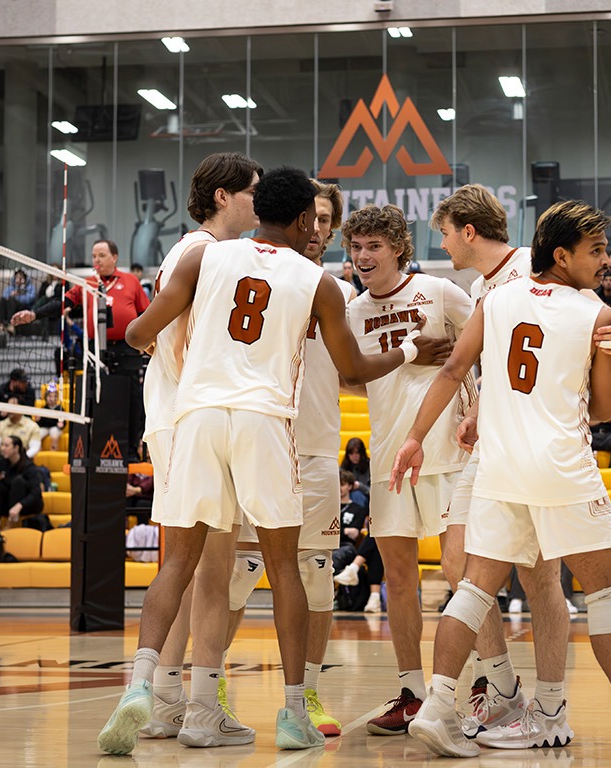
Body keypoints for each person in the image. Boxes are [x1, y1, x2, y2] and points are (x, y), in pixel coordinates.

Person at [100, 166, 435, 754]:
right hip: (264, 422)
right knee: (285, 571)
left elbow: (135, 334)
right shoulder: (317, 282)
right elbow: (354, 370)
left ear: (259, 213)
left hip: (198, 417)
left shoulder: (206, 258)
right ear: (307, 219)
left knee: (176, 564)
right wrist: (410, 347)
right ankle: (292, 711)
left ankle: (140, 687)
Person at [389, 199, 611, 759]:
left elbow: (452, 370)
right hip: (562, 470)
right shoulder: (595, 313)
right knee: (607, 594)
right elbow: (604, 410)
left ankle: (439, 708)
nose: (605, 261)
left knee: (472, 590)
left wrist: (414, 437)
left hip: (499, 469)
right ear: (562, 255)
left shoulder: (498, 297)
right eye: (597, 251)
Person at [121, 153, 264, 744]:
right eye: (254, 192)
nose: (261, 201)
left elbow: (152, 337)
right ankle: (197, 707)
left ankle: (167, 701)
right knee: (208, 565)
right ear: (224, 196)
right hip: (192, 417)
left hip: (181, 416)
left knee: (194, 564)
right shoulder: (201, 253)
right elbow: (147, 333)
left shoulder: (200, 252)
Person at [432, 182, 572, 742]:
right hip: (492, 443)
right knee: (456, 564)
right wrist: (479, 412)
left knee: (540, 579)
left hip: (530, 447)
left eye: (444, 233)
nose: (441, 245)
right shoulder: (488, 285)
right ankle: (505, 693)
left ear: (468, 231)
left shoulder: (527, 275)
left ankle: (551, 708)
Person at [343, 203, 480, 738]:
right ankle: (411, 691)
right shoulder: (353, 311)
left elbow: (489, 341)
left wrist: (477, 408)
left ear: (398, 246)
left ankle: (486, 682)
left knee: (462, 574)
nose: (361, 257)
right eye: (355, 248)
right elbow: (352, 380)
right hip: (388, 458)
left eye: (373, 246)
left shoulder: (441, 292)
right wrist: (403, 357)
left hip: (449, 452)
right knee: (398, 579)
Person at [223, 180, 353, 738]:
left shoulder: (338, 292)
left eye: (328, 219)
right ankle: (215, 685)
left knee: (317, 579)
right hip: (258, 438)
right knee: (236, 577)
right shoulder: (249, 273)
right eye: (313, 216)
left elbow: (355, 371)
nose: (319, 227)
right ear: (299, 218)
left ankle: (309, 695)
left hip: (319, 449)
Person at [14, 239, 151, 459]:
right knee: (96, 400)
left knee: (133, 401)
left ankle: (131, 452)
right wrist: (34, 314)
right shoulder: (87, 284)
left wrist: (148, 344)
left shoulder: (131, 281)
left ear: (114, 257)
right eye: (94, 256)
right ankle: (96, 451)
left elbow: (146, 314)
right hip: (95, 352)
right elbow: (62, 303)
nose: (96, 260)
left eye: (102, 255)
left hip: (127, 351)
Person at [333, 470, 384, 613]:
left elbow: (354, 534)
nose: (339, 488)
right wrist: (345, 530)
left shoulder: (359, 508)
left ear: (349, 486)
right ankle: (374, 597)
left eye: (342, 484)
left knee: (335, 557)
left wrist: (340, 531)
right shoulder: (329, 507)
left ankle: (351, 572)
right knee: (376, 539)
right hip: (329, 544)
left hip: (347, 547)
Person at [0, 435, 45, 529]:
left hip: (27, 505)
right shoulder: (0, 463)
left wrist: (20, 505)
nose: (2, 448)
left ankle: (12, 524)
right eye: (2, 445)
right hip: (8, 504)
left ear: (16, 448)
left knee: (18, 481)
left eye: (6, 445)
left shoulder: (29, 466)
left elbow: (36, 492)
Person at [340, 436, 371, 507]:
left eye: (357, 453)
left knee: (357, 495)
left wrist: (360, 486)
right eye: (351, 454)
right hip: (345, 496)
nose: (354, 456)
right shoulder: (344, 466)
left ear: (362, 453)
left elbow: (374, 492)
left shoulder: (370, 466)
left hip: (365, 498)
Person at [37, 383, 66, 450]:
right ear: (46, 397)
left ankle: (53, 451)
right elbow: (41, 423)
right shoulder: (44, 409)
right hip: (45, 427)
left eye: (54, 396)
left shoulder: (60, 408)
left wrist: (61, 424)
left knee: (54, 433)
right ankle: (38, 452)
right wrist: (38, 420)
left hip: (55, 428)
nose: (52, 399)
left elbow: (63, 422)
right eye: (50, 396)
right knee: (37, 434)